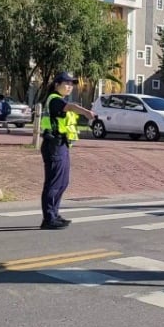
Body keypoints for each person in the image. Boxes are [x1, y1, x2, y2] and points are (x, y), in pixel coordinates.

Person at [39, 72, 96, 230]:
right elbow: (70, 107)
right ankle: (49, 218)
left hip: (61, 145)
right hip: (54, 145)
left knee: (62, 183)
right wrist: (85, 112)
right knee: (54, 183)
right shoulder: (54, 99)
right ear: (57, 84)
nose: (70, 86)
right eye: (66, 83)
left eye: (72, 84)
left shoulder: (60, 99)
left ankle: (54, 215)